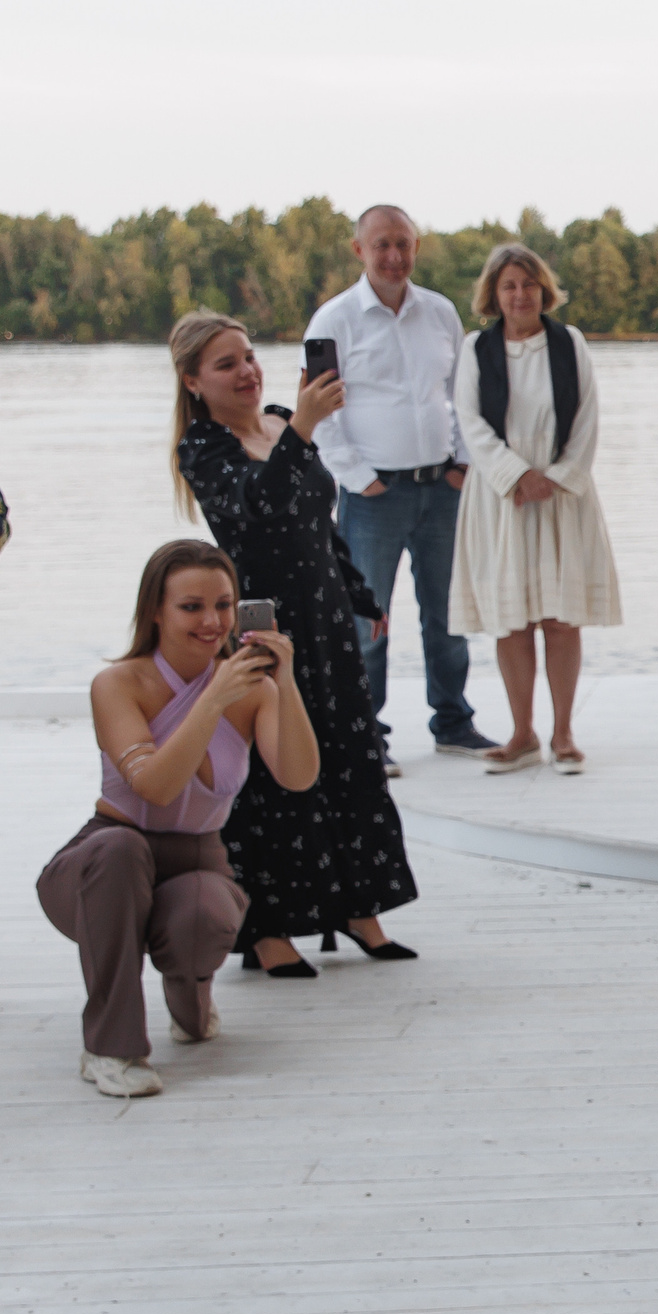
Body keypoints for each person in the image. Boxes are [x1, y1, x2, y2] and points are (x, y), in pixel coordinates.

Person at [173, 311, 421, 975]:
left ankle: (359, 907)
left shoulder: (283, 420)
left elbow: (319, 519)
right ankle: (267, 927)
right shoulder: (202, 449)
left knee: (350, 758)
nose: (247, 371)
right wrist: (307, 428)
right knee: (273, 776)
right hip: (262, 630)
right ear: (194, 381)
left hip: (328, 621)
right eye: (226, 364)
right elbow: (260, 505)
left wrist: (362, 594)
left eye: (249, 356)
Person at [39, 541, 318, 1097]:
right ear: (155, 611)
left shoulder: (252, 688)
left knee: (201, 914)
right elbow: (156, 787)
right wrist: (212, 699)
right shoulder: (118, 684)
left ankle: (190, 997)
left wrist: (283, 683)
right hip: (104, 858)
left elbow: (299, 776)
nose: (212, 621)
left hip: (197, 854)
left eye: (224, 604)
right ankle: (110, 1048)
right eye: (191, 606)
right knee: (121, 853)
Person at [303, 204, 495, 767]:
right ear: (359, 250)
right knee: (368, 622)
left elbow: (465, 395)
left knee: (448, 613)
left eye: (403, 244)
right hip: (373, 498)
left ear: (416, 248)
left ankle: (454, 723)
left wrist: (462, 465)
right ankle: (367, 738)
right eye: (382, 244)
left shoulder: (439, 313)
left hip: (442, 489)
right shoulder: (333, 321)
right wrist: (360, 481)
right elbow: (318, 412)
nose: (394, 256)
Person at [452, 242, 621, 774]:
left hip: (561, 495)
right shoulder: (475, 348)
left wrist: (557, 477)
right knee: (512, 620)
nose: (520, 294)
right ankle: (522, 733)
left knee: (561, 618)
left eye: (528, 284)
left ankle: (563, 733)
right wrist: (515, 476)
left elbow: (589, 416)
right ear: (494, 294)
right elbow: (469, 421)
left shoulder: (568, 343)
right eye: (509, 286)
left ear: (542, 289)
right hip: (501, 500)